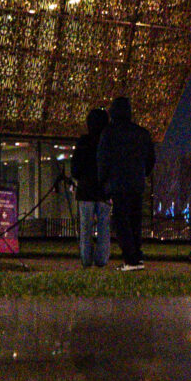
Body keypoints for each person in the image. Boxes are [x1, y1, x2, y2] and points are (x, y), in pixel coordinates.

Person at [96, 94, 155, 270]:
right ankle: (137, 255)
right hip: (136, 183)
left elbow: (103, 159)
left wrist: (103, 181)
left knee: (121, 222)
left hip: (118, 183)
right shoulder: (142, 133)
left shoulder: (109, 133)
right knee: (135, 220)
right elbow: (150, 159)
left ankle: (130, 259)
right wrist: (143, 174)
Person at [69, 106, 110, 269]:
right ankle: (101, 260)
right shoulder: (107, 142)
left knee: (85, 228)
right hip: (103, 191)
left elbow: (75, 169)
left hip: (86, 191)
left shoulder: (83, 143)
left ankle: (86, 260)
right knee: (104, 228)